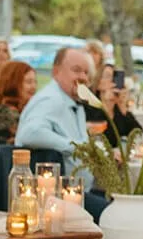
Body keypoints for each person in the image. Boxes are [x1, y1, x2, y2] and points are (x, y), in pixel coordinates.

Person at [15, 46, 95, 181]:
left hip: (79, 191)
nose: (83, 77)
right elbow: (29, 133)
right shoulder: (52, 99)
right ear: (56, 72)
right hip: (57, 196)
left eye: (86, 72)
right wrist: (74, 148)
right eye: (76, 70)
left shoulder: (73, 101)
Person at [0, 59, 36, 182]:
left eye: (35, 82)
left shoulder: (24, 109)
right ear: (13, 83)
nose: (33, 87)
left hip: (12, 175)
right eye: (28, 82)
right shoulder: (3, 113)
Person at [92, 63, 141, 147]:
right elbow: (102, 138)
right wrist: (106, 105)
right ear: (98, 82)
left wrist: (122, 107)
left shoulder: (118, 108)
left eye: (115, 76)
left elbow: (138, 133)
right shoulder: (91, 106)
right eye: (108, 76)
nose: (112, 80)